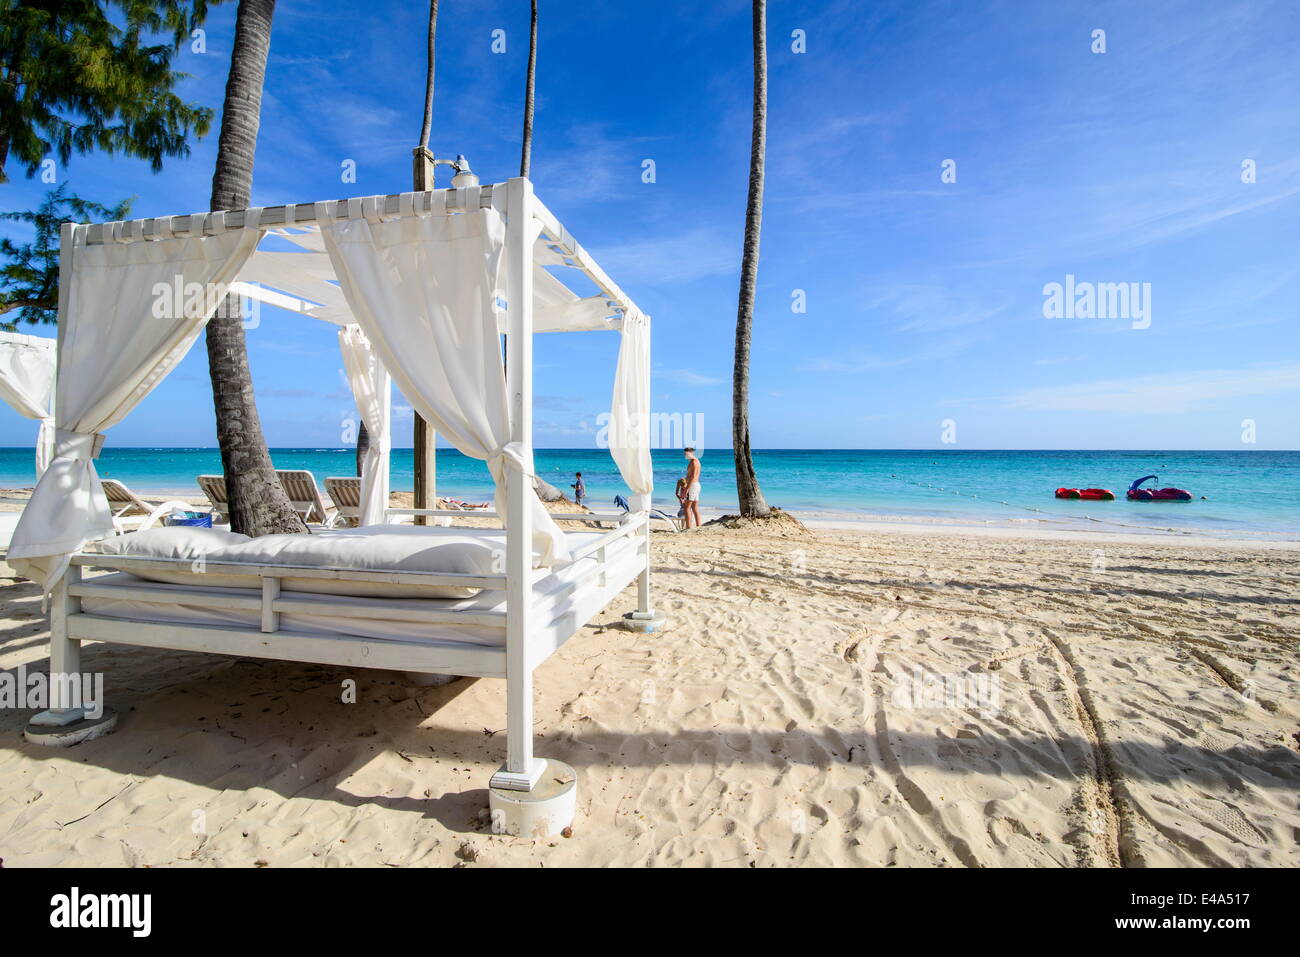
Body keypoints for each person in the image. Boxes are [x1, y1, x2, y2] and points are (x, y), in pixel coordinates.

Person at [682, 447, 702, 529]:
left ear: (691, 453)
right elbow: (689, 476)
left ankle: (688, 528)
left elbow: (693, 477)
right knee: (694, 507)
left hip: (693, 485)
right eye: (684, 453)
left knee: (687, 507)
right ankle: (698, 526)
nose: (685, 455)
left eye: (686, 453)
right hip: (695, 485)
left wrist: (686, 489)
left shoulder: (694, 462)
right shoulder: (694, 461)